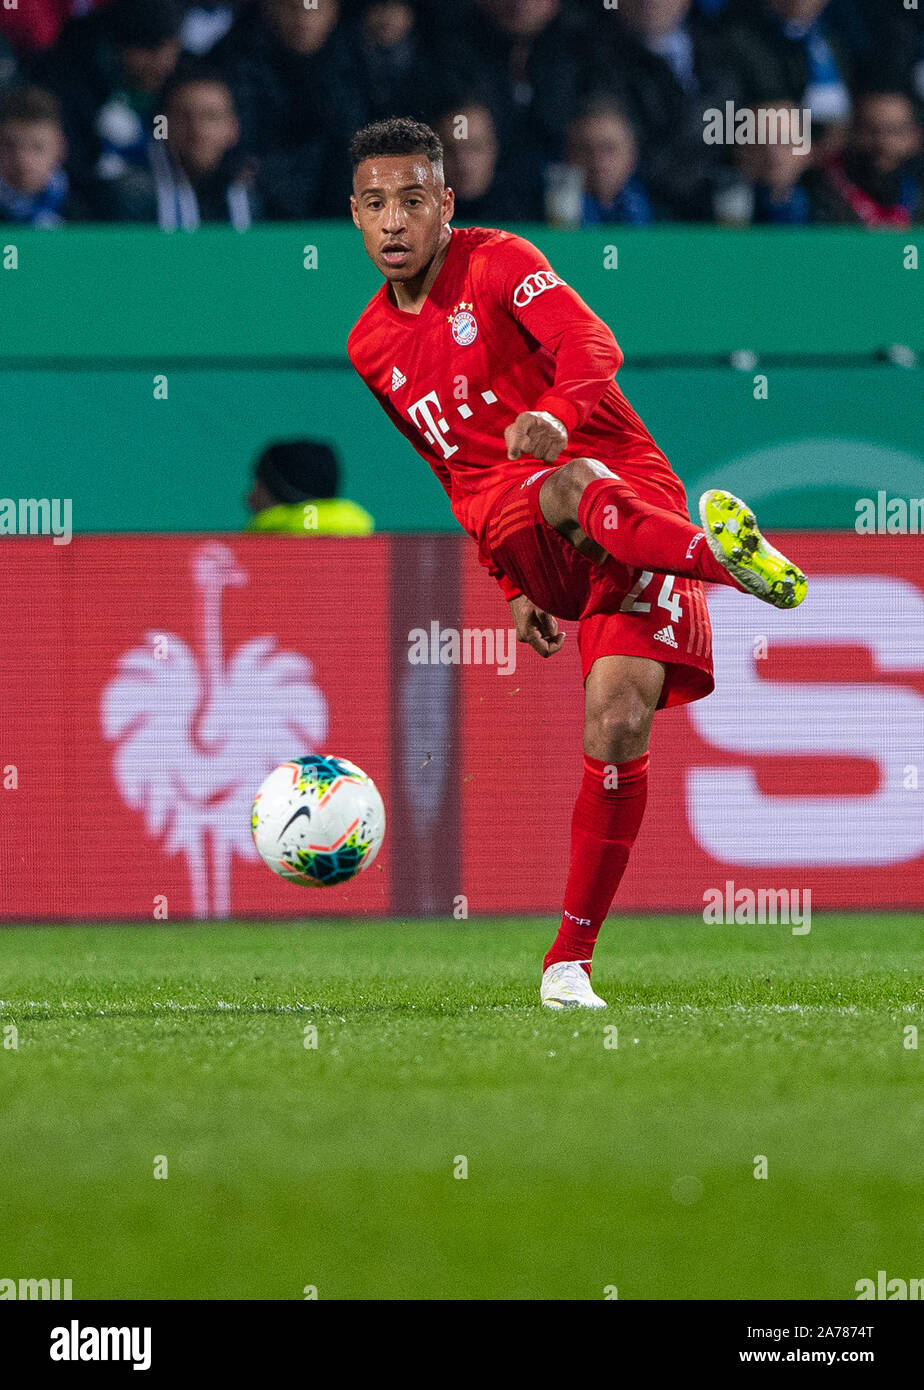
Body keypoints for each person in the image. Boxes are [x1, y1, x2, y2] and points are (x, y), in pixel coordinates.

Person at [347, 118, 806, 1010]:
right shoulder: (372, 347)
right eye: (375, 206)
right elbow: (449, 467)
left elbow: (596, 347)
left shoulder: (503, 260)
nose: (394, 223)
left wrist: (556, 409)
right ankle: (723, 561)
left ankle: (568, 964)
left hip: (630, 498)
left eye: (412, 201)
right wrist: (511, 582)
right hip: (522, 510)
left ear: (446, 204)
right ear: (355, 218)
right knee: (569, 481)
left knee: (620, 719)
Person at [100, 69, 258, 228]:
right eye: (183, 117)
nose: (197, 130)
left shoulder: (258, 194)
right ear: (161, 127)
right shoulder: (128, 195)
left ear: (233, 129)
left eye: (211, 116)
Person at [806, 87, 922, 226]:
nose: (882, 142)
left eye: (895, 131)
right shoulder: (817, 188)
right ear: (852, 132)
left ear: (915, 136)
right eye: (871, 130)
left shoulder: (918, 190)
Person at [0, 85, 92, 224]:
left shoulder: (94, 209)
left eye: (38, 147)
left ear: (60, 149)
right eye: (9, 145)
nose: (23, 159)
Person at [245, 440, 374, 535]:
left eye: (258, 486)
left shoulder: (247, 562)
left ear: (280, 491)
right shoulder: (376, 553)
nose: (248, 499)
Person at [563, 99, 655, 225]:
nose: (598, 160)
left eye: (609, 148)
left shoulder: (663, 218)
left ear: (631, 156)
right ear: (569, 156)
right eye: (585, 150)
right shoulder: (540, 219)